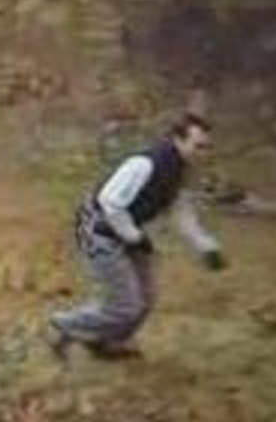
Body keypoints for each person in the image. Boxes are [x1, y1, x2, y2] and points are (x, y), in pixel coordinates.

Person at [47, 112, 228, 360]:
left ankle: (108, 341)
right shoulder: (145, 164)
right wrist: (133, 236)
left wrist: (206, 246)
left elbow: (181, 211)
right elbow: (110, 202)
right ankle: (63, 324)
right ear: (178, 139)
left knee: (147, 298)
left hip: (127, 231)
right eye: (198, 146)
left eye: (207, 147)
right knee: (125, 305)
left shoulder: (180, 171)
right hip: (98, 230)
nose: (203, 153)